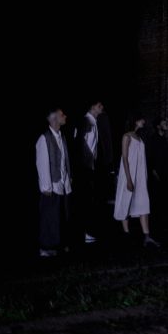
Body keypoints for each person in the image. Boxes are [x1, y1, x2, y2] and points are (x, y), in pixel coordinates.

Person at [113, 114, 159, 247]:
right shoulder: (126, 136)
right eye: (141, 120)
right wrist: (128, 179)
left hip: (139, 176)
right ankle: (126, 234)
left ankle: (147, 236)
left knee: (143, 202)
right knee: (125, 201)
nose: (143, 121)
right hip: (129, 175)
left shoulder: (140, 138)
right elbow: (125, 158)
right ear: (134, 121)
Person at [35, 107, 72, 257]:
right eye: (62, 115)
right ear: (54, 119)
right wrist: (46, 186)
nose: (65, 116)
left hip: (63, 183)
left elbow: (64, 159)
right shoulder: (44, 138)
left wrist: (68, 178)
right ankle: (46, 247)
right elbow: (42, 163)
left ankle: (59, 244)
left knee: (61, 216)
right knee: (49, 217)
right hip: (51, 185)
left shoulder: (61, 136)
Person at [74, 100, 112, 244]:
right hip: (85, 168)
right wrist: (86, 164)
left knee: (90, 200)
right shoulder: (86, 122)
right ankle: (84, 233)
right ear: (92, 107)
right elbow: (80, 144)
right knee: (85, 200)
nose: (102, 108)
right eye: (99, 106)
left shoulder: (94, 122)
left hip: (90, 167)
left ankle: (86, 231)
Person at [146, 118, 168, 229]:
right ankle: (155, 223)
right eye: (164, 124)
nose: (166, 125)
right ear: (158, 126)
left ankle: (165, 222)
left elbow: (167, 157)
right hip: (157, 173)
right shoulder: (153, 139)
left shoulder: (164, 139)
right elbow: (150, 156)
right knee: (157, 198)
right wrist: (153, 171)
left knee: (166, 197)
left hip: (166, 173)